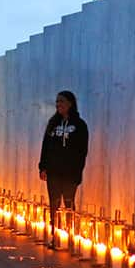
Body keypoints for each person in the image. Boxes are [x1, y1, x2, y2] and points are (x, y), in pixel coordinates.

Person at [38, 90, 89, 248]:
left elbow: (82, 151)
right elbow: (45, 146)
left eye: (61, 101)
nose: (58, 104)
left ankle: (71, 237)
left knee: (69, 204)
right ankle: (55, 237)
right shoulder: (53, 124)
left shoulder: (79, 125)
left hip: (70, 172)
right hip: (53, 170)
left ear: (70, 103)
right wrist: (43, 166)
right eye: (57, 102)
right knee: (54, 204)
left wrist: (78, 172)